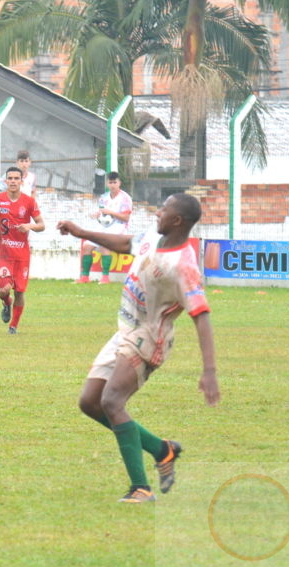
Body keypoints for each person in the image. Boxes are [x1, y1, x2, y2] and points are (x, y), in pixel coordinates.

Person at [56, 193, 219, 503]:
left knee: (112, 401)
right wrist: (82, 232)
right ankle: (163, 450)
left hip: (150, 336)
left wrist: (209, 370)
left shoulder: (184, 266)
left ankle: (140, 489)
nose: (158, 212)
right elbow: (124, 243)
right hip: (126, 329)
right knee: (90, 402)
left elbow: (202, 315)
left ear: (177, 221)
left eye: (165, 209)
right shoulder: (152, 238)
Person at [0, 166, 46, 334]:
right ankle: (6, 302)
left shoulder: (29, 202)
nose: (13, 181)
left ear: (21, 181)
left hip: (22, 255)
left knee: (20, 292)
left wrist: (29, 225)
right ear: (5, 181)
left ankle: (13, 326)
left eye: (16, 178)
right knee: (3, 290)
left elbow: (41, 225)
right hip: (4, 254)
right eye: (10, 178)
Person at [78, 171, 132, 284]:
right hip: (104, 226)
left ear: (119, 183)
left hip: (119, 227)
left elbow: (126, 218)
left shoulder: (125, 198)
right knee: (87, 246)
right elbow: (102, 212)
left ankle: (105, 278)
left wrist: (110, 212)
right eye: (110, 182)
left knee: (104, 244)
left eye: (115, 182)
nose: (112, 185)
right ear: (107, 183)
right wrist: (97, 215)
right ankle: (84, 277)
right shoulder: (104, 197)